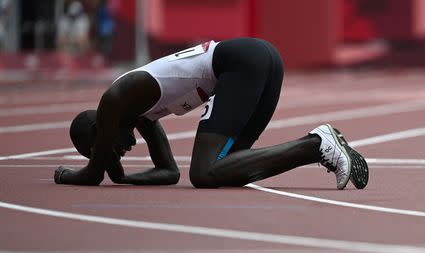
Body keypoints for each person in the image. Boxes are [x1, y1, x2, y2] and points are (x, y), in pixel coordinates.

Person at [54, 37, 369, 189]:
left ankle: (316, 145)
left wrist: (72, 174)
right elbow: (168, 172)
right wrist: (123, 177)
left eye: (100, 150)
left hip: (241, 63)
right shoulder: (142, 116)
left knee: (204, 173)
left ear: (100, 128)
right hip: (260, 59)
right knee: (230, 170)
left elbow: (92, 175)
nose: (116, 153)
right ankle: (318, 147)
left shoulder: (115, 98)